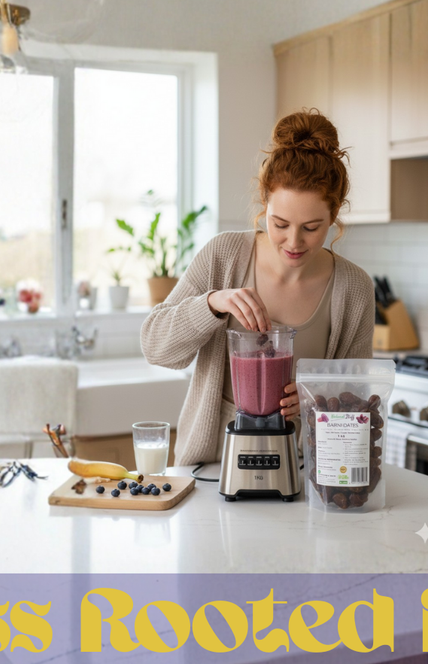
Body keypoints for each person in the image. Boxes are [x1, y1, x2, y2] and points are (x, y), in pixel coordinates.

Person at [141, 109, 376, 466]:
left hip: (305, 476)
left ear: (335, 215)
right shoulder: (224, 256)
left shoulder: (354, 289)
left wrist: (320, 397)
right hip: (211, 468)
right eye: (280, 223)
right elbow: (155, 347)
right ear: (264, 202)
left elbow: (358, 398)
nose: (293, 242)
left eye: (312, 228)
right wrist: (213, 303)